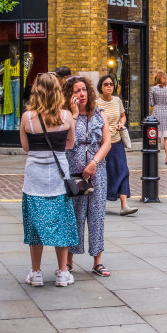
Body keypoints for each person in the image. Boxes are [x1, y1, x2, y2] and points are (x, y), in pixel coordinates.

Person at [19, 72, 78, 286]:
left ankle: (36, 273)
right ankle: (62, 272)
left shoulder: (27, 118)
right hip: (59, 178)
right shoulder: (66, 116)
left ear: (37, 90)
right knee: (61, 224)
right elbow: (70, 144)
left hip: (35, 178)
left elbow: (26, 147)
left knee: (35, 225)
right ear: (57, 91)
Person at [64, 76, 111, 276]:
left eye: (83, 90)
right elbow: (66, 141)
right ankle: (68, 261)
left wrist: (94, 163)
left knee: (97, 216)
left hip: (97, 173)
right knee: (74, 216)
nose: (81, 94)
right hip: (74, 174)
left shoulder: (99, 114)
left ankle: (97, 261)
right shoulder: (65, 116)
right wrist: (74, 114)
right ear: (69, 95)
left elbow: (107, 142)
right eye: (76, 91)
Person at [97, 75, 136, 216]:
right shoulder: (96, 103)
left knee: (123, 171)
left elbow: (123, 115)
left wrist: (122, 123)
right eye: (106, 84)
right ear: (100, 87)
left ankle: (124, 205)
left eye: (111, 84)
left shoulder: (117, 101)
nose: (109, 86)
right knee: (104, 174)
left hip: (117, 142)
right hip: (102, 144)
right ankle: (100, 203)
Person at [149, 70, 167, 166]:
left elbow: (151, 103)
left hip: (156, 113)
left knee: (154, 137)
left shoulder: (153, 89)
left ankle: (154, 158)